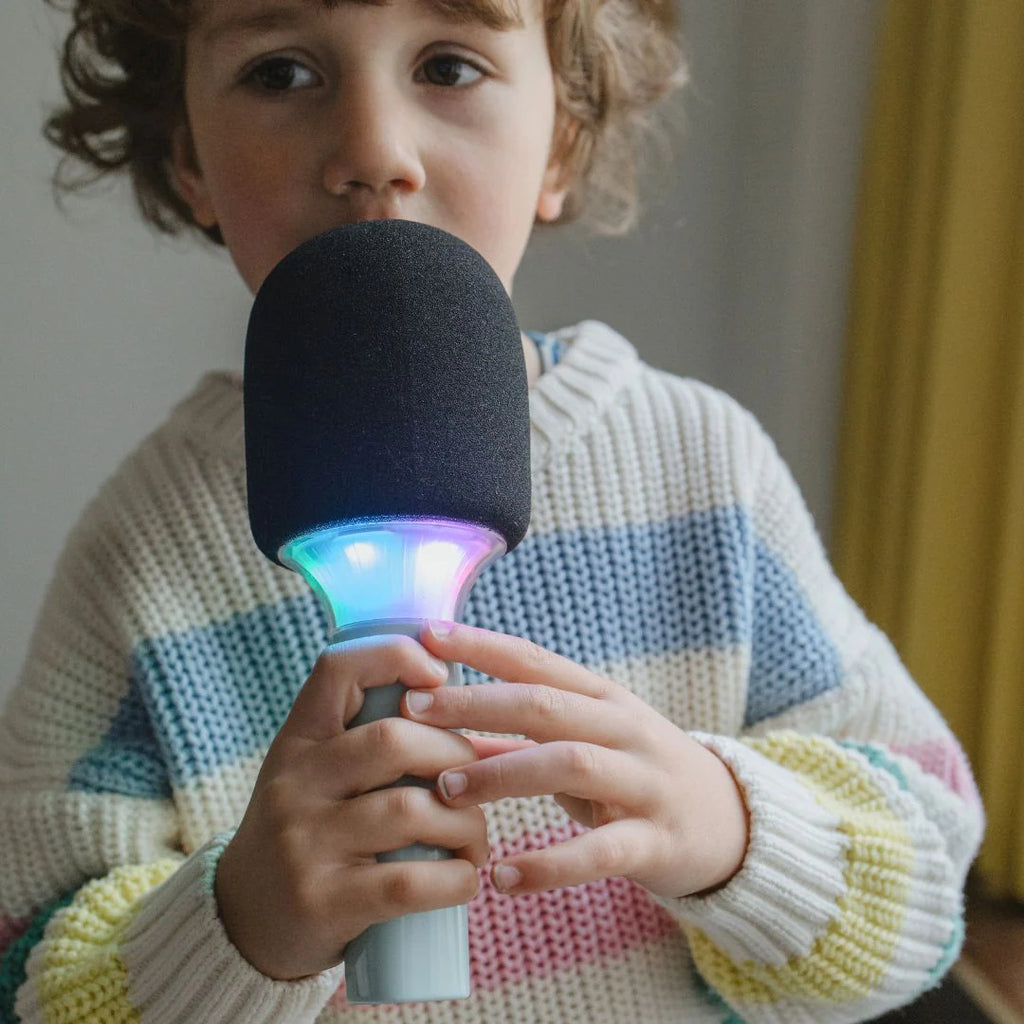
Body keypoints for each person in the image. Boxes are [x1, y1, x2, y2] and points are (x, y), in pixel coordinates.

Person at [0, 0, 984, 1019]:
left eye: (449, 67)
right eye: (282, 73)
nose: (374, 151)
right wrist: (240, 924)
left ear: (562, 139)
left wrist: (730, 832)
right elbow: (27, 965)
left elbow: (923, 865)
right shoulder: (142, 547)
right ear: (189, 157)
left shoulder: (703, 472)